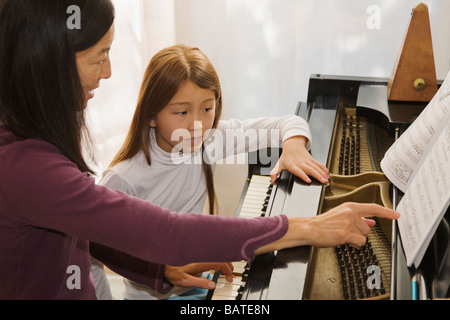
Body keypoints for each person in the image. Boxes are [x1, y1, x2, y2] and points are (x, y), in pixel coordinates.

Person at [0, 0, 400, 300]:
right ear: (47, 61)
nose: (108, 72)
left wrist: (161, 271)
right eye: (99, 56)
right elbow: (164, 231)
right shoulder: (24, 165)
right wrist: (307, 227)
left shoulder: (31, 136)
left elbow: (96, 234)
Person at [91, 44, 330, 300]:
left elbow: (288, 123)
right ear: (151, 115)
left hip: (199, 280)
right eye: (182, 112)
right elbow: (98, 247)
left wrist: (293, 146)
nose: (197, 125)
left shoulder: (211, 140)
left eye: (207, 108)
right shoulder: (123, 177)